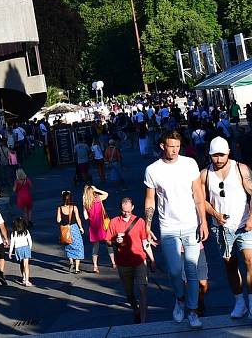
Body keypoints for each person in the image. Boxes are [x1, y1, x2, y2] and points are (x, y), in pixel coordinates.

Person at [144, 129, 209, 329]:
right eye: (171, 146)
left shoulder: (189, 164)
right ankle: (180, 299)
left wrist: (203, 221)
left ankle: (192, 311)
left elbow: (198, 194)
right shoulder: (152, 169)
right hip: (168, 226)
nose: (175, 150)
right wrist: (147, 224)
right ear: (163, 146)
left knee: (191, 271)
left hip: (191, 224)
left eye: (178, 146)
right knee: (174, 270)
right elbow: (150, 199)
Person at [199, 135, 252, 319]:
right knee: (230, 265)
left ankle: (251, 301)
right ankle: (239, 302)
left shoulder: (240, 168)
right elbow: (201, 200)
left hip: (244, 225)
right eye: (215, 155)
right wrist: (214, 214)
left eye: (222, 155)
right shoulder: (205, 174)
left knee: (250, 261)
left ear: (229, 152)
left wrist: (251, 218)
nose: (219, 159)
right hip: (221, 228)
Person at [107, 197, 155, 324]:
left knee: (142, 290)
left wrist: (152, 259)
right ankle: (135, 309)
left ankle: (143, 321)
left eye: (128, 211)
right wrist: (114, 241)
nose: (126, 213)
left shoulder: (139, 222)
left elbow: (145, 242)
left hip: (139, 260)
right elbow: (107, 240)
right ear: (120, 209)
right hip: (123, 262)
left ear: (132, 208)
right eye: (123, 211)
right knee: (129, 293)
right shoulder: (114, 222)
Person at [82, 185, 115, 272]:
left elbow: (85, 217)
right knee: (108, 243)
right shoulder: (98, 199)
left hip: (93, 226)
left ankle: (95, 266)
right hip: (102, 225)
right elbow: (106, 194)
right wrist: (97, 189)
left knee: (95, 246)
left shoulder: (86, 203)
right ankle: (113, 262)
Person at [57, 189, 85, 273]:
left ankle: (71, 261)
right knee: (78, 247)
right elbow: (78, 219)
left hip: (65, 229)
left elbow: (58, 220)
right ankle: (76, 268)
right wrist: (81, 228)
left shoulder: (60, 208)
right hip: (74, 228)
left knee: (68, 246)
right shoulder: (74, 207)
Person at [9, 217, 34, 286]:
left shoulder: (13, 233)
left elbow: (12, 244)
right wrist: (29, 248)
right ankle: (27, 280)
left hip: (18, 249)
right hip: (26, 248)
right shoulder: (26, 232)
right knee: (26, 265)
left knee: (21, 264)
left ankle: (23, 277)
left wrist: (10, 252)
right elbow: (30, 241)